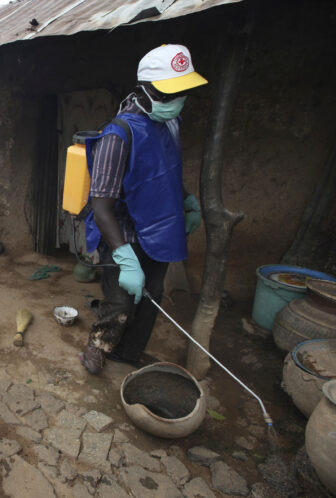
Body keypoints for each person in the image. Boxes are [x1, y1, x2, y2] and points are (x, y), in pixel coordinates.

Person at [81, 45, 207, 374]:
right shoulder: (117, 136)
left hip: (161, 227)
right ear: (146, 89)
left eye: (182, 92)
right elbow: (102, 208)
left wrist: (186, 199)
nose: (177, 100)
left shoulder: (169, 123)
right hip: (123, 231)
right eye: (170, 93)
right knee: (121, 301)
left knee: (151, 298)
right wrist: (124, 258)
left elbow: (163, 172)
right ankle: (98, 345)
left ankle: (129, 354)